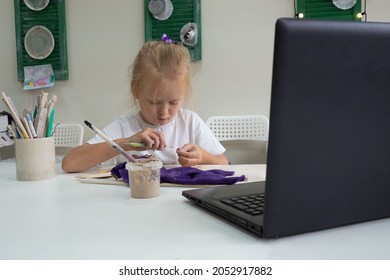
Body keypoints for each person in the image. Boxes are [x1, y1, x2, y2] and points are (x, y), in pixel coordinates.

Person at [62, 40, 229, 173]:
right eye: (155, 102)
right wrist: (127, 143)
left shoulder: (190, 122)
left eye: (173, 102)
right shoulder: (125, 127)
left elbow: (224, 163)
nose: (164, 112)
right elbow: (70, 163)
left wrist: (202, 157)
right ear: (136, 90)